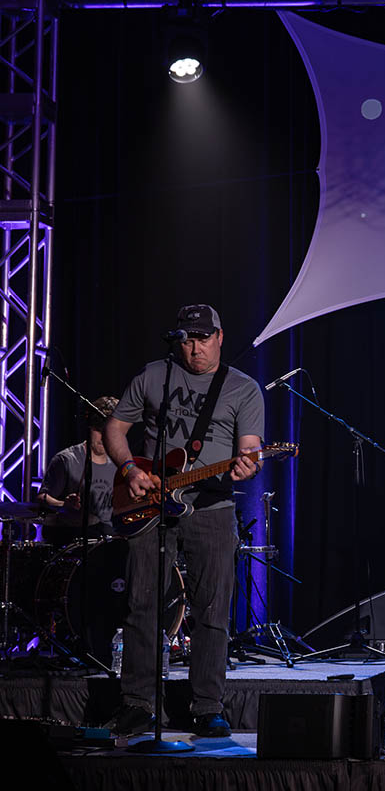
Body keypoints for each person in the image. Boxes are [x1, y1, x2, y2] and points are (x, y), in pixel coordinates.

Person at [102, 304, 265, 737]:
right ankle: (138, 703)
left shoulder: (242, 388)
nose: (195, 349)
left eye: (204, 338)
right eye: (188, 339)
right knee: (142, 603)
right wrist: (130, 471)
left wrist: (249, 465)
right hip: (152, 504)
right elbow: (115, 429)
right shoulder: (154, 375)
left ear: (220, 337)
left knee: (212, 608)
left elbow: (251, 449)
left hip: (212, 508)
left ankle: (207, 706)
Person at [38, 395, 120, 546]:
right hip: (73, 539)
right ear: (89, 428)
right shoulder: (66, 460)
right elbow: (42, 498)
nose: (104, 438)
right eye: (99, 431)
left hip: (108, 540)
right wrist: (63, 504)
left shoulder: (119, 462)